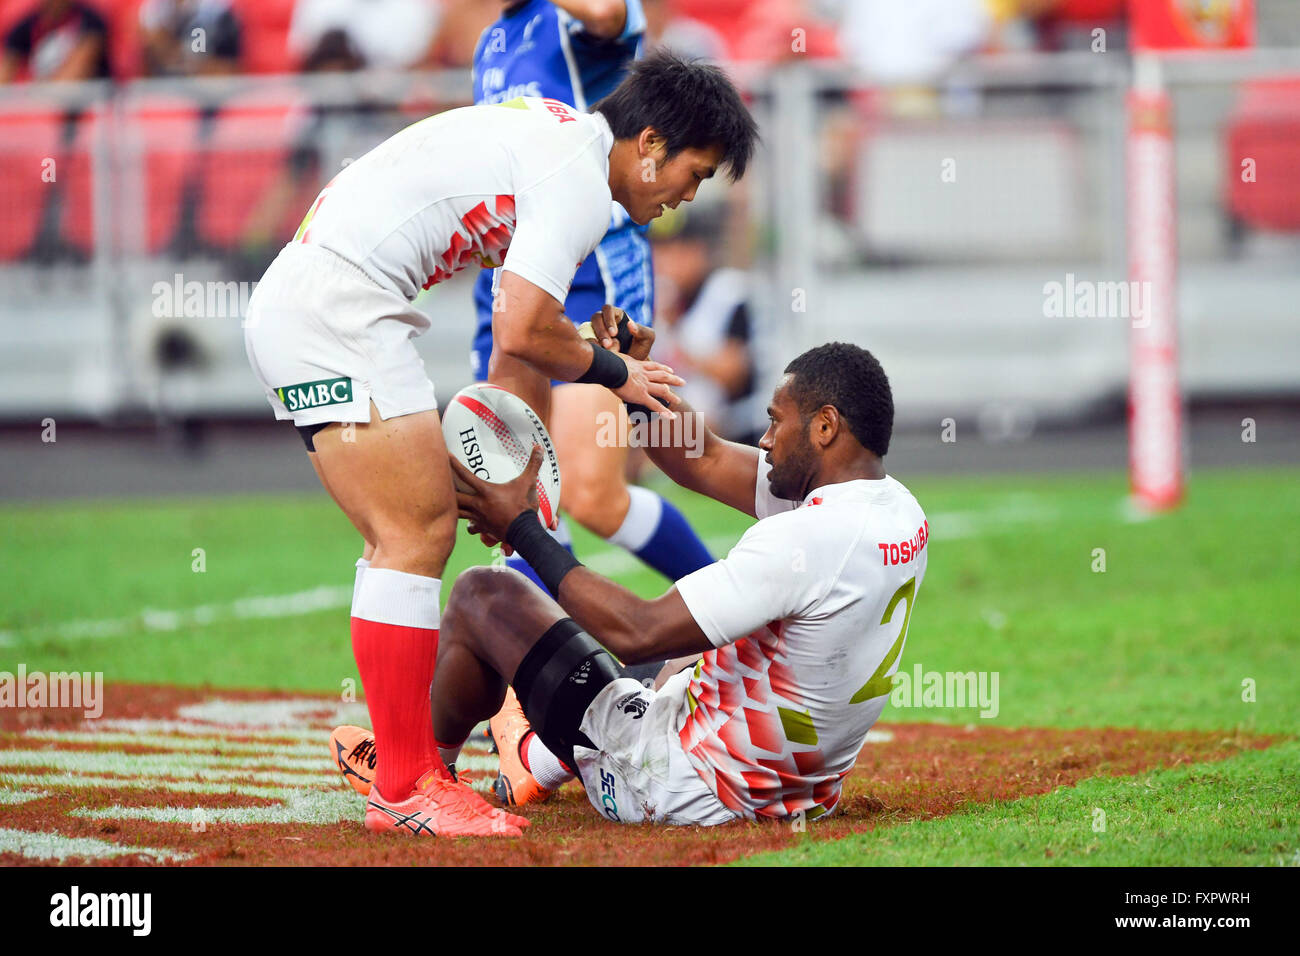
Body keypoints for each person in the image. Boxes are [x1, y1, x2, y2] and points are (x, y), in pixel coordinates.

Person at [244, 51, 757, 837]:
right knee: (412, 536)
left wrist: (518, 466)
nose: (690, 194)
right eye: (696, 171)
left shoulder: (562, 146)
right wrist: (616, 370)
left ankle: (409, 762)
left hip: (325, 302)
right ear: (650, 142)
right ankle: (407, 784)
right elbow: (522, 328)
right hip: (338, 310)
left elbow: (519, 352)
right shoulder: (580, 183)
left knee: (419, 530)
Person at [336, 341, 928, 826]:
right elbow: (702, 458)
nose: (766, 439)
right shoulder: (897, 510)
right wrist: (631, 386)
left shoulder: (806, 538)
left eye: (776, 422)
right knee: (690, 654)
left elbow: (637, 631)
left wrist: (520, 525)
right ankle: (535, 761)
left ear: (825, 427)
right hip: (796, 791)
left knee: (480, 596)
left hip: (679, 785)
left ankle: (415, 781)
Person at [466, 0, 723, 807]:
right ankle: (530, 709)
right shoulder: (491, 38)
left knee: (594, 493)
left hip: (592, 262)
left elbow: (613, 12)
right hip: (510, 267)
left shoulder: (577, 15)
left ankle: (730, 626)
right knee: (513, 481)